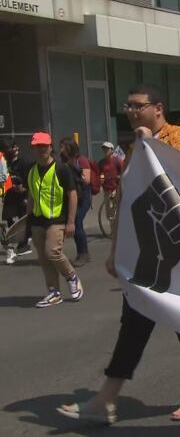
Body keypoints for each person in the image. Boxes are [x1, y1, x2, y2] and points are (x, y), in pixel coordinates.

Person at [57, 84, 180, 424]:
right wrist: (116, 249)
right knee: (133, 322)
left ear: (157, 108)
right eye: (127, 105)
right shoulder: (134, 148)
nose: (130, 111)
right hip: (146, 250)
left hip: (179, 251)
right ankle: (106, 398)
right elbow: (129, 200)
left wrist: (151, 144)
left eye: (137, 105)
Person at [25, 132, 84, 308]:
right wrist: (27, 221)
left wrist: (71, 221)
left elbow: (72, 194)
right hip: (37, 221)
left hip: (57, 219)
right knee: (43, 258)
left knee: (53, 252)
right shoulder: (32, 170)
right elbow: (31, 195)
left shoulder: (61, 168)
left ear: (51, 147)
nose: (41, 149)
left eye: (44, 145)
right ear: (33, 149)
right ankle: (54, 292)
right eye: (37, 146)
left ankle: (71, 276)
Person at [58, 138, 91, 267]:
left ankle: (83, 254)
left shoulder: (81, 160)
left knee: (77, 222)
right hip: (73, 195)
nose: (60, 149)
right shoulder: (63, 160)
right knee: (77, 223)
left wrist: (76, 171)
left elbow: (87, 180)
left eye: (62, 147)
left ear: (69, 148)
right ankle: (83, 253)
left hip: (84, 197)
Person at [1, 141, 33, 264]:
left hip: (22, 196)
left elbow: (30, 178)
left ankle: (23, 244)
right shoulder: (5, 163)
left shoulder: (24, 162)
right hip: (9, 196)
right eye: (10, 147)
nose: (13, 149)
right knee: (6, 222)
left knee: (25, 221)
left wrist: (25, 189)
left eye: (14, 147)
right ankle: (10, 248)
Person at [97, 142, 123, 225]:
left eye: (107, 149)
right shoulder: (101, 163)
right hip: (106, 189)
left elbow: (124, 172)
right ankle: (113, 230)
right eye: (104, 149)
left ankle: (115, 230)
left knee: (114, 209)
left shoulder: (118, 161)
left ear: (112, 150)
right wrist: (101, 180)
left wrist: (119, 177)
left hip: (116, 189)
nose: (105, 150)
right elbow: (100, 174)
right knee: (108, 211)